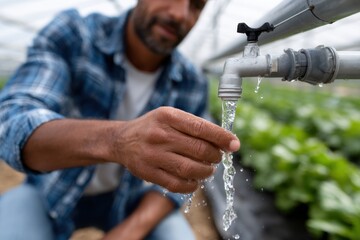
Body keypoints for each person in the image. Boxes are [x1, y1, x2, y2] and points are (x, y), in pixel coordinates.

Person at [0, 0, 240, 239]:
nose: (180, 14)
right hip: (50, 188)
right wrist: (118, 140)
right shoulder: (76, 35)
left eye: (196, 6)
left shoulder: (192, 82)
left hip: (126, 199)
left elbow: (179, 182)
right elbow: (12, 120)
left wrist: (131, 229)